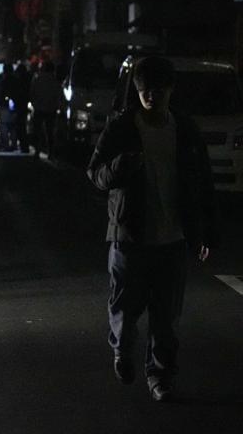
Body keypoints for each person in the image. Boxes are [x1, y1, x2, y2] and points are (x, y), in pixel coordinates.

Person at [87, 56, 218, 403]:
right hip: (129, 235)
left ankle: (160, 376)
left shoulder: (184, 130)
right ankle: (123, 351)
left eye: (157, 91)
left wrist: (206, 231)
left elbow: (203, 182)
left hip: (172, 239)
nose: (150, 97)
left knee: (166, 318)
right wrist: (120, 166)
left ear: (170, 90)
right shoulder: (122, 127)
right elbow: (95, 173)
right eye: (143, 90)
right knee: (125, 308)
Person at [29, 60, 62, 158]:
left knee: (37, 131)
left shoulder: (37, 79)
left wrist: (34, 103)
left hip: (38, 108)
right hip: (51, 109)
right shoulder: (55, 81)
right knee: (50, 132)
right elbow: (59, 95)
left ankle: (37, 151)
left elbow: (32, 93)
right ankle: (50, 152)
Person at [11, 60, 32, 153]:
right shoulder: (28, 79)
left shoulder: (19, 81)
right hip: (24, 105)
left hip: (20, 105)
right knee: (22, 126)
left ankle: (23, 146)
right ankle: (24, 145)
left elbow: (17, 93)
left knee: (20, 126)